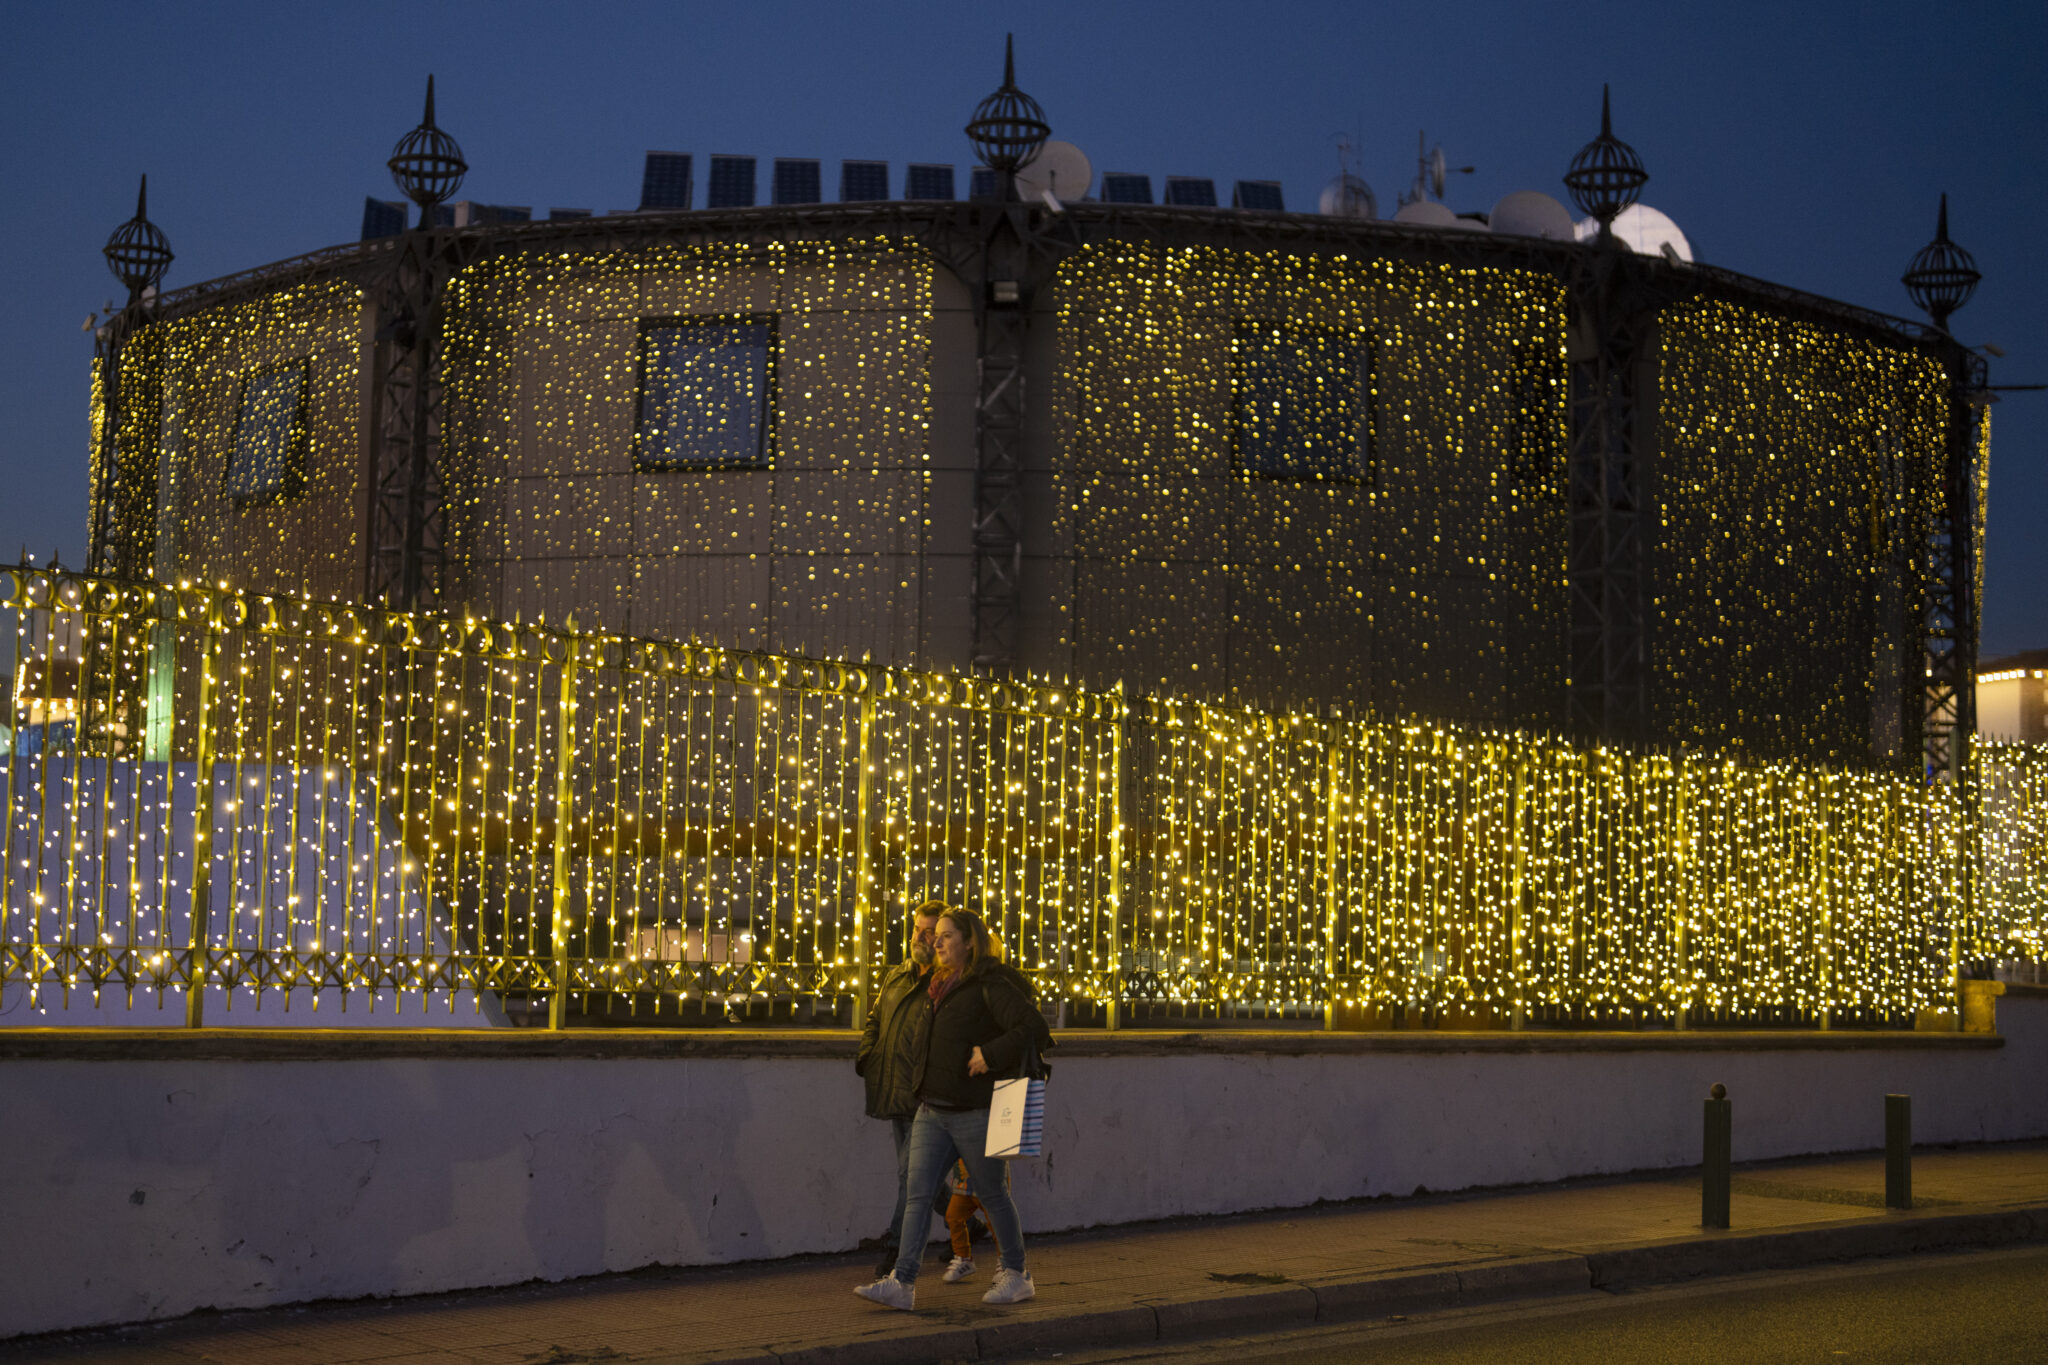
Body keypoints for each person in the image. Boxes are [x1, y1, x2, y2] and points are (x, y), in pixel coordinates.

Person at [855, 907, 1051, 1311]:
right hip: (932, 1108)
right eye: (935, 935)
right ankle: (902, 1282)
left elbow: (1033, 1026)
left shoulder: (989, 984)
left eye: (945, 935)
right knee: (917, 1193)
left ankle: (1017, 1275)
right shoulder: (940, 984)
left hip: (974, 1110)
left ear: (969, 942)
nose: (936, 942)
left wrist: (990, 1054)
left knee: (992, 1194)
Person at [854, 899, 950, 1278]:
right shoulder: (897, 976)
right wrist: (868, 1055)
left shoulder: (946, 981)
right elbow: (875, 1018)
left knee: (910, 1175)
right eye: (917, 929)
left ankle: (896, 1250)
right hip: (894, 1088)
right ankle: (967, 1223)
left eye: (930, 932)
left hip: (927, 1093)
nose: (921, 938)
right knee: (915, 1174)